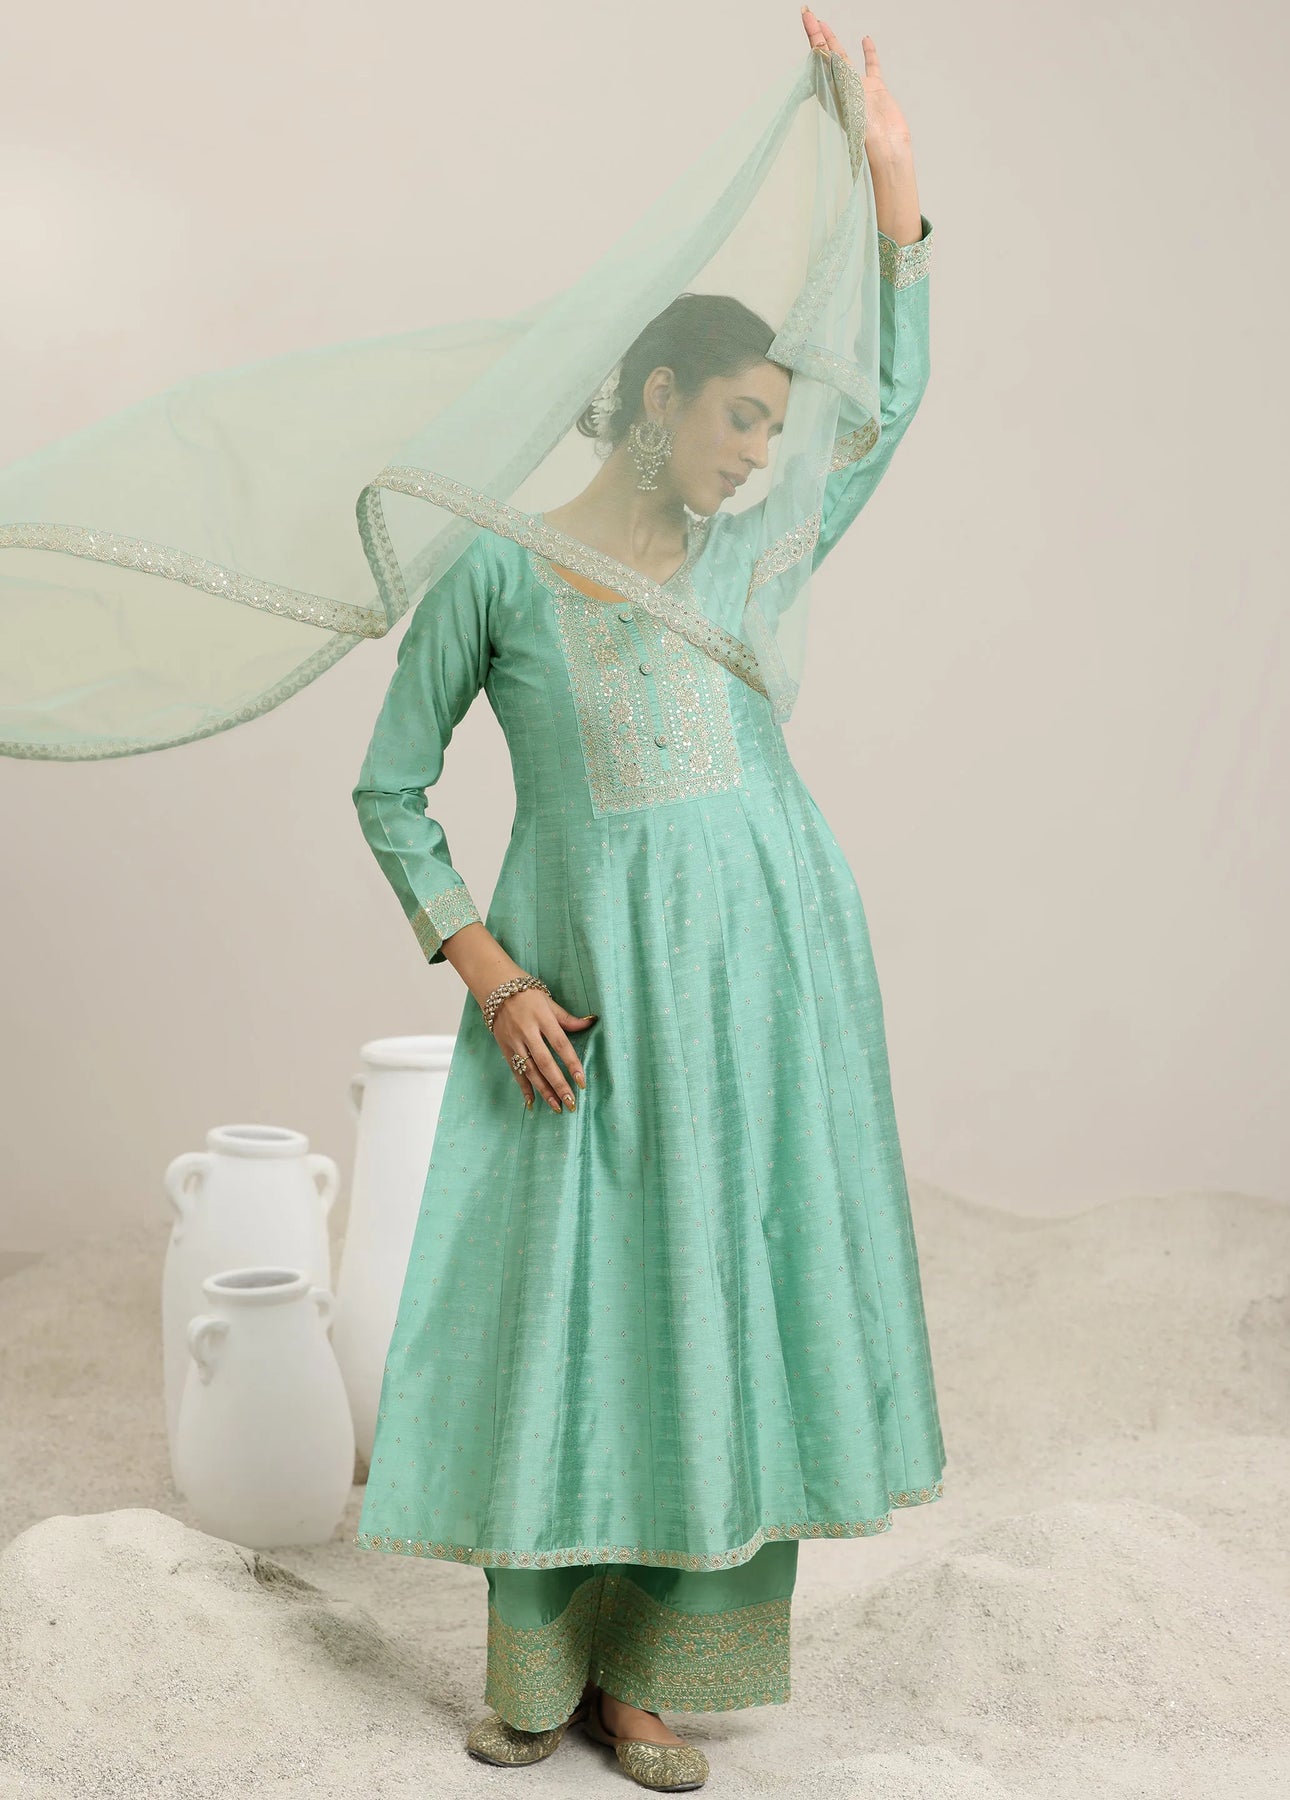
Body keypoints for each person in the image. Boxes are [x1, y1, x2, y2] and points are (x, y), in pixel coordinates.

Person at [349, 9, 946, 1792]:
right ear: (657, 397)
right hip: (586, 986)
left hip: (765, 965)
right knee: (574, 1296)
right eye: (740, 417)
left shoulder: (757, 558)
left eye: (775, 425)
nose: (761, 453)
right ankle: (542, 1670)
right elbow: (388, 790)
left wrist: (889, 179)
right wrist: (492, 976)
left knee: (717, 1284)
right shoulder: (498, 567)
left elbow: (889, 407)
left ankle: (655, 1682)